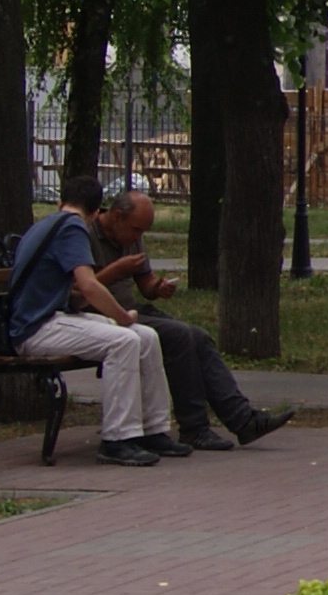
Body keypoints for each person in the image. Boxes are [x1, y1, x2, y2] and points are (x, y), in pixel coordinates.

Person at [93, 182, 293, 450]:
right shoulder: (85, 234)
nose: (137, 236)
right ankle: (194, 427)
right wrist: (116, 269)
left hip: (132, 309)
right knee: (179, 336)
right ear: (117, 216)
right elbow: (83, 288)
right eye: (136, 229)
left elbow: (145, 285)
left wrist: (158, 287)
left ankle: (243, 419)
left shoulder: (132, 236)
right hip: (102, 316)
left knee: (198, 336)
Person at [6, 175, 180, 467]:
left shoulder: (51, 223)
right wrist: (122, 317)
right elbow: (88, 285)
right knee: (125, 340)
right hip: (34, 329)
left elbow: (75, 294)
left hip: (49, 319)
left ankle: (154, 429)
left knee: (146, 336)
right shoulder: (73, 227)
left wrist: (119, 317)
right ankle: (117, 439)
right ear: (96, 209)